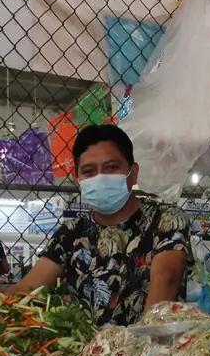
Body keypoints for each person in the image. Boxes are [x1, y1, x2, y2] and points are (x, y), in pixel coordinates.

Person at [10, 124, 190, 326]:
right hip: (87, 353)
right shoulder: (71, 234)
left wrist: (139, 345)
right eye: (89, 171)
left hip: (148, 348)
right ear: (78, 180)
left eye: (111, 167)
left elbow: (166, 278)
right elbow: (25, 292)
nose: (100, 177)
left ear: (133, 173)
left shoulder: (165, 219)